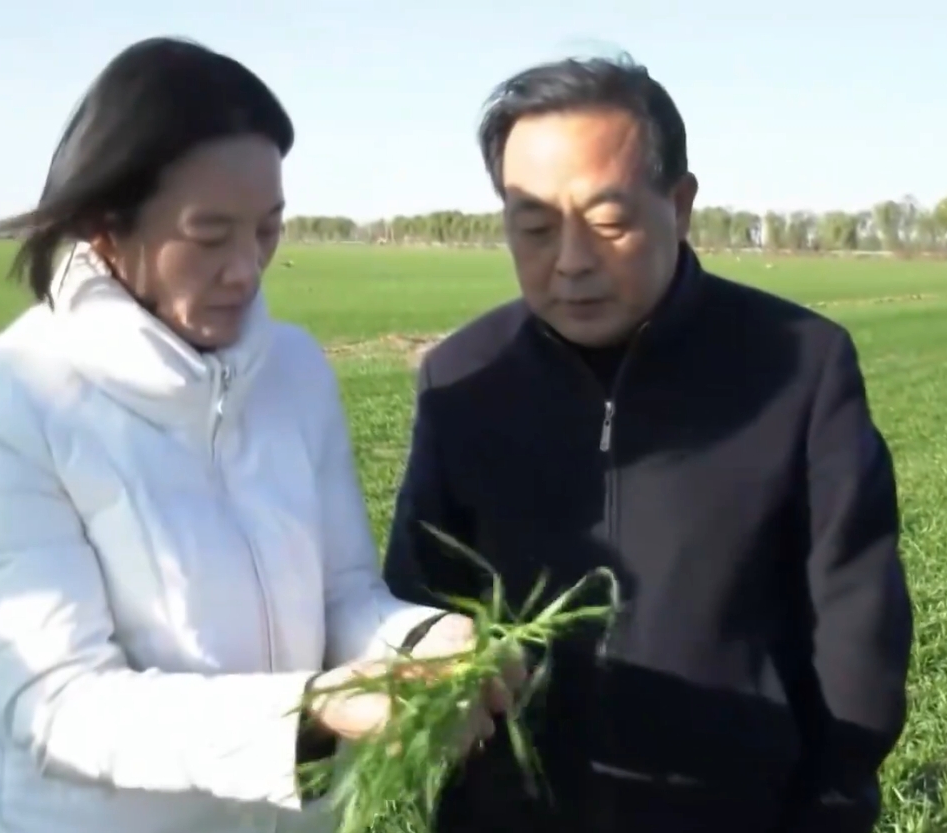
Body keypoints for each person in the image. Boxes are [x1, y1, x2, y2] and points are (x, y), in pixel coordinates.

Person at [0, 37, 520, 833]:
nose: (247, 267)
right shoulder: (5, 410)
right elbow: (59, 707)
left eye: (268, 229)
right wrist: (314, 711)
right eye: (210, 236)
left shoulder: (294, 374)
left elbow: (343, 596)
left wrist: (426, 642)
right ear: (104, 225)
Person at [381, 53, 914, 833]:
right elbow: (414, 598)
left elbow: (857, 623)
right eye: (534, 227)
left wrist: (831, 804)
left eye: (609, 222)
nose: (571, 262)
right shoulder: (464, 379)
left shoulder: (800, 366)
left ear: (680, 203)